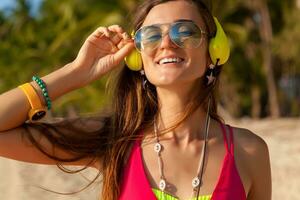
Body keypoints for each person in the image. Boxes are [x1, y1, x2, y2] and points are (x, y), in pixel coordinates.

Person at [0, 0, 271, 199]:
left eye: (185, 31)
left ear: (215, 51)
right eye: (151, 36)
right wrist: (76, 72)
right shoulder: (115, 140)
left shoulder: (250, 151)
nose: (166, 43)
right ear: (137, 58)